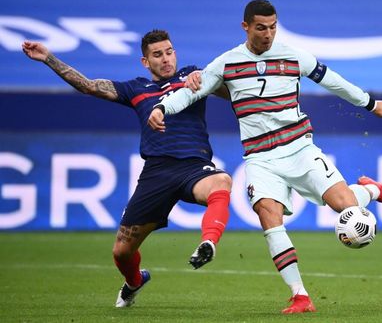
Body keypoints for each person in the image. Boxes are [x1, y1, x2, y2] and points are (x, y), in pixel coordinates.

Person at [148, 0, 382, 314]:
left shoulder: (294, 57)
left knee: (345, 207)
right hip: (260, 157)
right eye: (261, 28)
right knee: (269, 216)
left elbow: (333, 80)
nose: (268, 34)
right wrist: (161, 107)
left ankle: (373, 190)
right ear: (246, 27)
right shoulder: (226, 63)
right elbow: (191, 92)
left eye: (273, 26)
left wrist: (371, 103)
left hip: (300, 148)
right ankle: (300, 296)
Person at [22, 29, 232, 308]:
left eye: (169, 52)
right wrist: (49, 58)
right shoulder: (136, 89)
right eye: (157, 55)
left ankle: (208, 243)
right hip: (156, 174)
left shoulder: (191, 76)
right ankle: (134, 281)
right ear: (146, 61)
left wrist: (206, 81)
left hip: (194, 166)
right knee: (122, 252)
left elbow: (232, 94)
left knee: (222, 182)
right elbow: (88, 85)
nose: (166, 59)